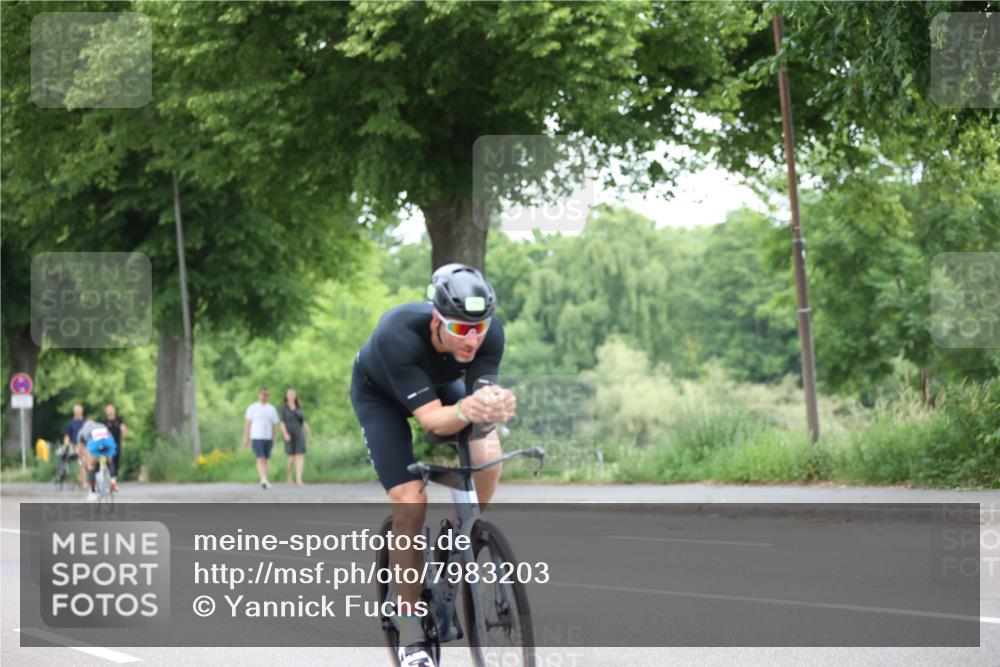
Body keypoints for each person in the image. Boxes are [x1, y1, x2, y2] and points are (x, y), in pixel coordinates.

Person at [350, 263, 516, 667]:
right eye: (460, 329)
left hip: (440, 387)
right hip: (382, 397)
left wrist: (494, 410)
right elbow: (432, 421)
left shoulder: (487, 333)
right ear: (436, 320)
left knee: (487, 449)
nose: (472, 339)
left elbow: (477, 408)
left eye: (479, 327)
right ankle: (410, 632)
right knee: (410, 500)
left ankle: (464, 534)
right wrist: (465, 407)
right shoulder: (398, 332)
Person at [243, 387, 279, 489]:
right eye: (262, 394)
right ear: (259, 395)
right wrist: (245, 437)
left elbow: (274, 425)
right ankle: (263, 478)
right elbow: (248, 423)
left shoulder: (271, 409)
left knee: (265, 459)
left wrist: (274, 438)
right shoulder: (252, 407)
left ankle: (264, 479)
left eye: (266, 394)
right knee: (260, 457)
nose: (264, 396)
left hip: (268, 437)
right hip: (256, 437)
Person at [76, 417, 117, 501]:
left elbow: (80, 448)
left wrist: (82, 460)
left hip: (95, 441)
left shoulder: (82, 430)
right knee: (109, 460)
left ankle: (92, 492)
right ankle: (113, 480)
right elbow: (111, 437)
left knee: (91, 465)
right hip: (107, 440)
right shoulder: (101, 425)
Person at [280, 388, 312, 486]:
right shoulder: (283, 408)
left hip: (299, 433)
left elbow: (304, 422)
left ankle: (299, 479)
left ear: (295, 395)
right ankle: (289, 476)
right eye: (289, 393)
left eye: (293, 393)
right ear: (286, 395)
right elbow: (282, 422)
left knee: (300, 456)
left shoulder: (299, 407)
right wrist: (285, 434)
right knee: (291, 458)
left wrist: (309, 434)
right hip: (289, 434)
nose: (291, 395)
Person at [103, 404, 127, 487]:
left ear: (114, 410)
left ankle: (114, 477)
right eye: (108, 410)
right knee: (110, 460)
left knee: (116, 460)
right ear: (106, 411)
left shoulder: (119, 420)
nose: (110, 411)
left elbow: (123, 429)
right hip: (107, 445)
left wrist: (123, 432)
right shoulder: (104, 421)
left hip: (116, 444)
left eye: (111, 409)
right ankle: (111, 478)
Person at [63, 404, 85, 490]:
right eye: (76, 411)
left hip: (86, 445)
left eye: (79, 411)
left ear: (81, 411)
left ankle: (83, 479)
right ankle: (83, 481)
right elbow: (67, 436)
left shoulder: (85, 422)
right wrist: (66, 446)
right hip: (75, 445)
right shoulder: (70, 423)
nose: (78, 413)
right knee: (82, 461)